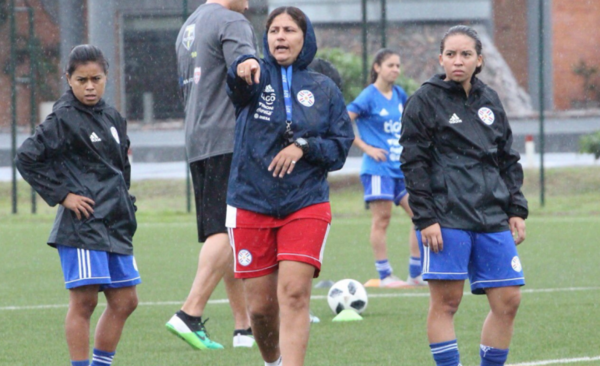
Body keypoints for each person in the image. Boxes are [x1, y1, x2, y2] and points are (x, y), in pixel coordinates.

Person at [226, 6, 354, 366]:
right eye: (274, 30)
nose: (280, 36)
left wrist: (304, 147)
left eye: (289, 30)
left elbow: (340, 147)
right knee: (262, 310)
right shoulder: (253, 77)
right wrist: (241, 67)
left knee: (295, 294)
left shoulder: (324, 88)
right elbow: (235, 87)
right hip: (251, 201)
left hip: (306, 202)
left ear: (305, 38)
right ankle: (274, 362)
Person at [399, 25, 528, 366]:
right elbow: (414, 163)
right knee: (447, 303)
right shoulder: (424, 100)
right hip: (446, 216)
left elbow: (506, 157)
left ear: (479, 60)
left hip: (491, 215)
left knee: (509, 301)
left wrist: (516, 207)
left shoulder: (490, 99)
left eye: (466, 54)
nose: (458, 61)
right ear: (441, 58)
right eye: (451, 54)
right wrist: (425, 218)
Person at [15, 44, 140, 366]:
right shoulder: (63, 118)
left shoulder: (112, 116)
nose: (89, 86)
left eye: (95, 79)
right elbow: (26, 157)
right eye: (81, 79)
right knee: (84, 301)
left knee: (126, 301)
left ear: (106, 77)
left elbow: (120, 167)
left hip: (115, 221)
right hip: (83, 225)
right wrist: (63, 195)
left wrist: (127, 201)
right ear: (68, 79)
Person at [165, 0, 256, 350]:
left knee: (227, 231)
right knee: (227, 230)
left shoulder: (189, 25)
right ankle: (189, 313)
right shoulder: (231, 21)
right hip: (229, 137)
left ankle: (243, 327)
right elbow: (247, 71)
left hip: (198, 138)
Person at [347, 49, 425, 287]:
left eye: (398, 66)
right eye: (390, 65)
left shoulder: (400, 94)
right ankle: (385, 276)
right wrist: (366, 147)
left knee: (421, 216)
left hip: (400, 169)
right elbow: (342, 121)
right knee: (382, 220)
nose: (395, 70)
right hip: (378, 169)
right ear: (377, 67)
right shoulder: (368, 96)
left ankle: (416, 274)